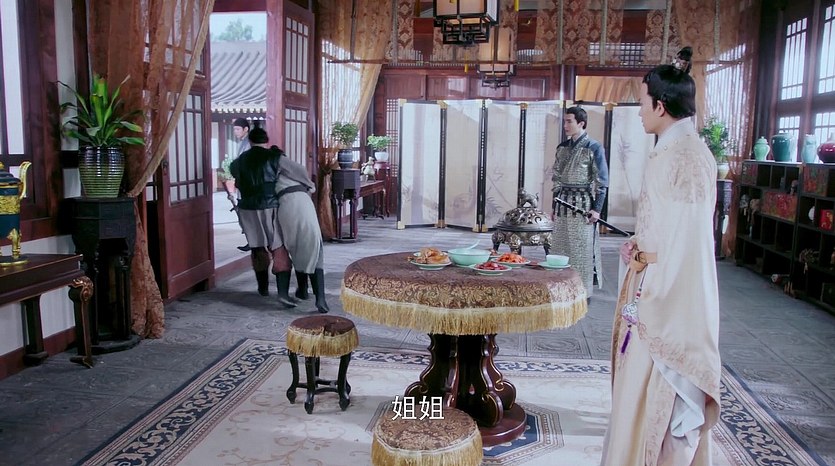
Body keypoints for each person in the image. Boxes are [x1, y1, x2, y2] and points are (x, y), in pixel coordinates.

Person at [601, 47, 721, 465]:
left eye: (642, 102)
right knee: (636, 391)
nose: (638, 112)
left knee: (661, 402)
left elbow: (688, 243)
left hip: (669, 300)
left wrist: (653, 290)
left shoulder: (685, 158)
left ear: (661, 105)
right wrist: (640, 242)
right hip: (651, 282)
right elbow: (669, 225)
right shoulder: (675, 150)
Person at [230, 128, 330, 313]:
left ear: (249, 141)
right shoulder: (274, 157)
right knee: (279, 250)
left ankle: (262, 288)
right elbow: (298, 170)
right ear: (266, 140)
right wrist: (309, 185)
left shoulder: (239, 161)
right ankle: (283, 293)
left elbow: (236, 178)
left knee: (257, 249)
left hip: (247, 209)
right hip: (269, 207)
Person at [551, 106, 609, 298]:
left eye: (569, 121)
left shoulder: (593, 147)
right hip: (563, 204)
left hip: (582, 204)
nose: (565, 125)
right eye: (565, 121)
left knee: (580, 250)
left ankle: (581, 292)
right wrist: (554, 206)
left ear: (581, 123)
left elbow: (602, 181)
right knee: (560, 248)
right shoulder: (562, 148)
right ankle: (560, 289)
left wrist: (597, 209)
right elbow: (556, 179)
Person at [231, 118, 251, 252]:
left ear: (246, 129)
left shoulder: (248, 143)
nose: (236, 132)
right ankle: (251, 240)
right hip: (242, 182)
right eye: (234, 129)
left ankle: (253, 241)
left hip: (247, 183)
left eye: (238, 129)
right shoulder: (243, 143)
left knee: (248, 215)